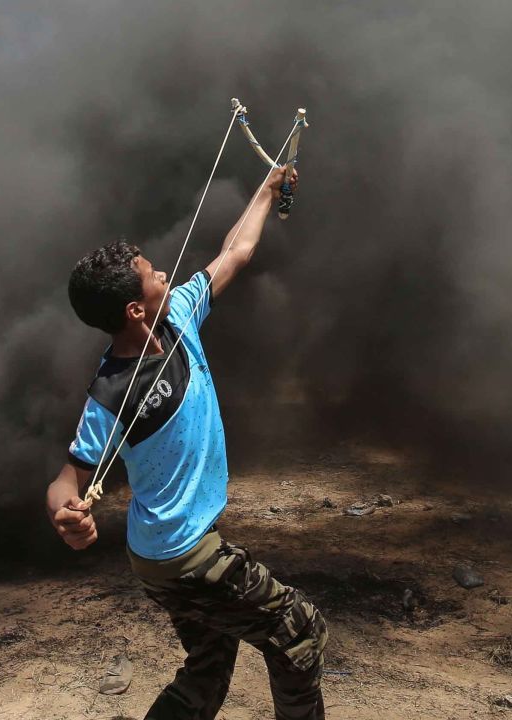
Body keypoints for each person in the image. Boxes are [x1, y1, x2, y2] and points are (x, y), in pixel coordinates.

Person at [46, 165, 327, 720]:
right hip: (182, 556)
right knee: (300, 631)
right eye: (152, 275)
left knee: (208, 668)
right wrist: (65, 515)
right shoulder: (112, 392)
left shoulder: (179, 315)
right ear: (133, 309)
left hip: (163, 556)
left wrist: (267, 190)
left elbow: (236, 252)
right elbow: (67, 479)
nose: (165, 275)